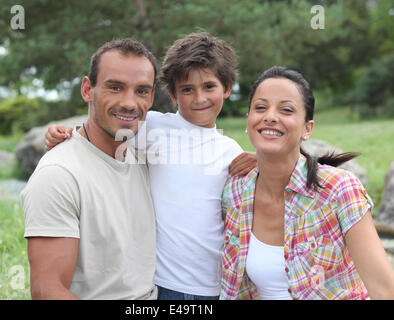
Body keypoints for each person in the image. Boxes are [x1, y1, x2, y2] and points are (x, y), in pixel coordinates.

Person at [45, 32, 257, 300]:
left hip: (214, 286)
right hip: (161, 284)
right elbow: (105, 131)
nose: (199, 98)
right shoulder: (154, 127)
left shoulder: (231, 152)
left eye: (209, 87)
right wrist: (63, 133)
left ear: (227, 88)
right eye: (187, 89)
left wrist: (265, 159)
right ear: (172, 93)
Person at [221, 66, 394, 300]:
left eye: (286, 110)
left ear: (307, 129)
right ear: (248, 120)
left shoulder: (338, 190)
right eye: (260, 107)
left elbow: (385, 290)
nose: (270, 116)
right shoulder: (236, 192)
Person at [21, 39, 159, 299]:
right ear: (87, 89)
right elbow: (47, 290)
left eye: (141, 91)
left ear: (151, 97)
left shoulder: (146, 159)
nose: (129, 103)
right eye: (115, 87)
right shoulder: (59, 175)